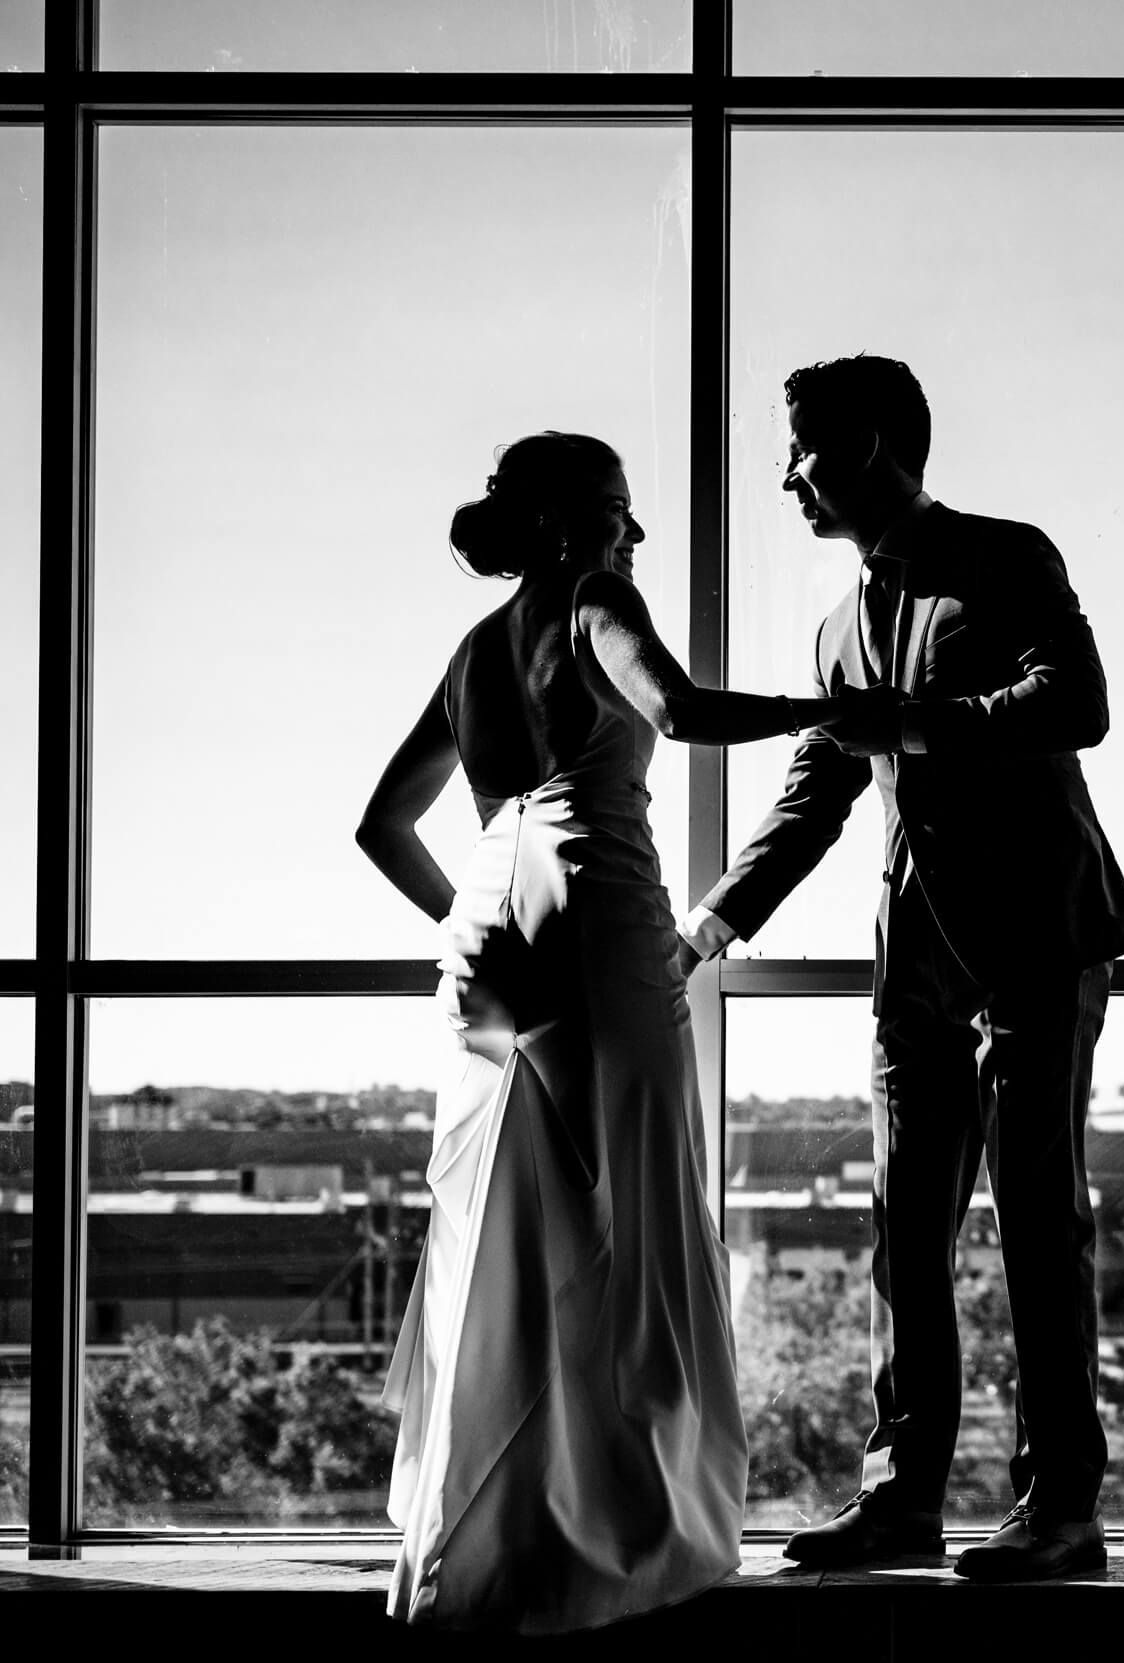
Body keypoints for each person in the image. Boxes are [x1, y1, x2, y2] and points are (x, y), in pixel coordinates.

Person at [357, 431, 850, 1631]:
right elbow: (674, 708)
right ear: (579, 523)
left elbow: (381, 824)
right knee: (623, 1213)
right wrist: (827, 711)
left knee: (505, 1230)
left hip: (486, 923)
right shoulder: (591, 596)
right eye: (626, 512)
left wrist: (473, 915)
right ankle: (618, 1526)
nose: (640, 536)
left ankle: (483, 1534)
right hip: (593, 904)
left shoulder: (474, 650)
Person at [675, 355, 1124, 1582]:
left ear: (874, 442)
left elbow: (1075, 701)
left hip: (1040, 935)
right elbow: (814, 796)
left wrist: (917, 723)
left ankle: (1063, 1514)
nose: (785, 476)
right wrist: (707, 925)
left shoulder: (1007, 555)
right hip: (917, 965)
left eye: (801, 450)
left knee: (1040, 1225)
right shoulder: (835, 628)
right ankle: (901, 1504)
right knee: (902, 1237)